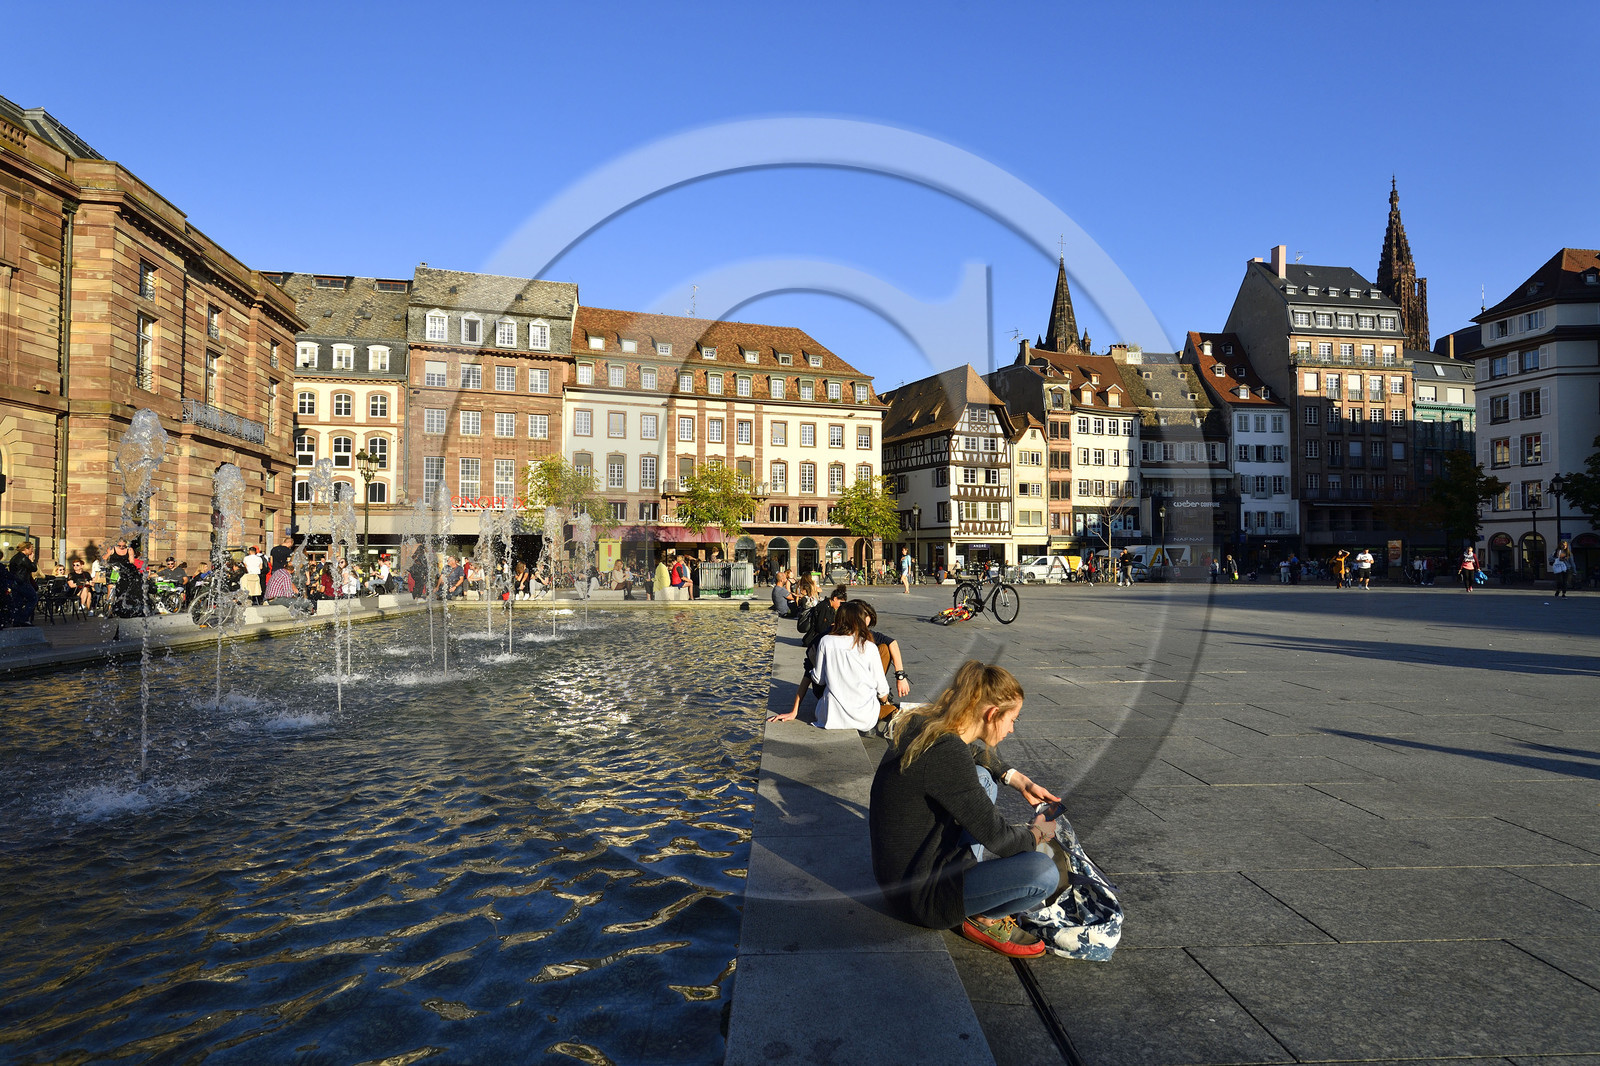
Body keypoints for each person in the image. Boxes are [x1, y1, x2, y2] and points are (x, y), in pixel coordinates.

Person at [869, 661, 1060, 958]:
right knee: (1044, 874)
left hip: (900, 875)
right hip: (923, 898)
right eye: (1013, 720)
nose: (1011, 729)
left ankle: (974, 885)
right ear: (992, 713)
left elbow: (972, 752)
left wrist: (1018, 780)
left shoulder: (925, 723)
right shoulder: (947, 753)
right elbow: (999, 839)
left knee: (984, 778)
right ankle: (982, 917)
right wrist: (1038, 833)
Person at [770, 602, 889, 729]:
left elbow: (819, 680)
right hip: (865, 718)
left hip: (831, 717)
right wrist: (885, 701)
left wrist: (813, 665)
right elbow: (882, 689)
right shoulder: (869, 646)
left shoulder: (826, 641)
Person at [8, 542, 39, 626]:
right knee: (33, 598)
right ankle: (23, 618)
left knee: (18, 602)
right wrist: (31, 560)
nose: (32, 550)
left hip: (15, 583)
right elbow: (33, 568)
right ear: (26, 549)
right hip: (23, 582)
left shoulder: (14, 558)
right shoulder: (23, 558)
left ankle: (16, 620)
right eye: (31, 548)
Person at [264, 533, 297, 601]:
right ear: (290, 543)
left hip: (275, 570)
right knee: (285, 585)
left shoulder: (274, 549)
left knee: (275, 585)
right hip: (285, 571)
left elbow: (271, 562)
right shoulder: (289, 551)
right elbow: (289, 562)